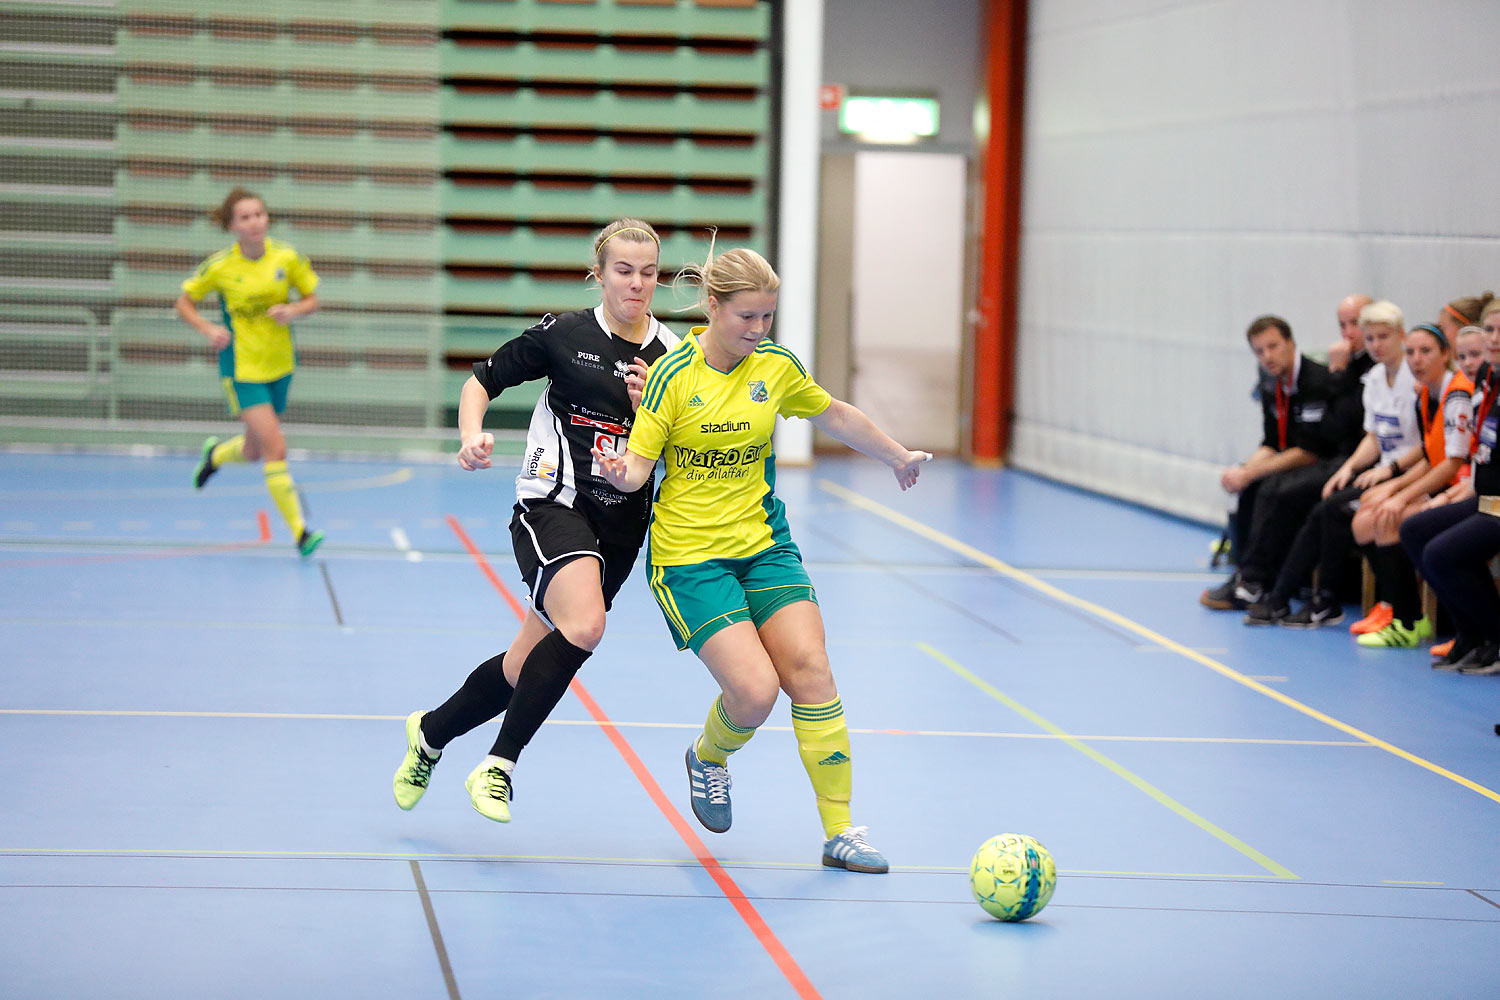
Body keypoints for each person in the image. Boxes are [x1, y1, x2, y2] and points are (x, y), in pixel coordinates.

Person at [593, 243, 931, 874]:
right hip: (690, 559)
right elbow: (639, 467)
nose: (757, 329)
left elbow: (834, 413)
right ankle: (709, 757)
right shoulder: (672, 376)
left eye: (767, 317)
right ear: (713, 307)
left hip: (765, 547)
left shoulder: (774, 368)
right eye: (746, 316)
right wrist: (621, 470)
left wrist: (895, 454)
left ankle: (841, 832)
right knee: (754, 693)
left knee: (812, 672)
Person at [392, 219, 679, 822]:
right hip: (554, 504)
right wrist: (471, 436)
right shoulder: (564, 335)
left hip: (623, 526)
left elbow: (679, 449)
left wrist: (652, 410)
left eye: (648, 273)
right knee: (588, 625)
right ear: (598, 274)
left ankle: (431, 734)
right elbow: (481, 381)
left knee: (527, 663)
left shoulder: (675, 357)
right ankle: (499, 765)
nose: (637, 284)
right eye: (623, 271)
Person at [1244, 301, 1419, 626]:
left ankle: (1314, 598)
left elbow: (1427, 446)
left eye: (1383, 336)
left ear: (1400, 336)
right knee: (1326, 503)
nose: (1376, 345)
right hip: (1380, 470)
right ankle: (1290, 596)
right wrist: (1348, 468)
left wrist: (1390, 473)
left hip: (1406, 473)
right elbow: (1373, 437)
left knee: (1331, 512)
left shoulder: (1415, 379)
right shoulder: (1376, 378)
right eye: (1370, 339)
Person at [176, 187, 324, 556]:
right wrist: (209, 329)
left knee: (254, 450)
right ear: (232, 226)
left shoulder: (286, 258)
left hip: (280, 364)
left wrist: (294, 311)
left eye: (259, 214)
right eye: (245, 217)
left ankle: (215, 456)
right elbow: (184, 302)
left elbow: (312, 298)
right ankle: (301, 532)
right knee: (275, 447)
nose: (254, 222)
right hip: (242, 369)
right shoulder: (220, 267)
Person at [1201, 314, 1351, 610]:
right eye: (1259, 351)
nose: (1267, 356)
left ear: (1291, 344)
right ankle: (1245, 575)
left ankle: (1256, 581)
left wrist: (1252, 472)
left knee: (1273, 489)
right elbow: (1271, 442)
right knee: (1251, 485)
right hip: (1301, 460)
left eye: (1273, 347)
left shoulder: (1315, 381)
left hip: (1329, 461)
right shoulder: (1270, 383)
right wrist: (1243, 471)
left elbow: (1309, 451)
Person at [1349, 322, 1474, 648]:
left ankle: (1409, 620)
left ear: (1446, 355)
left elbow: (1452, 462)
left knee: (1390, 520)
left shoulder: (1455, 393)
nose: (1416, 359)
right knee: (1363, 520)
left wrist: (1400, 494)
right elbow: (1432, 456)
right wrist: (1392, 488)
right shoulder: (1425, 395)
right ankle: (1392, 606)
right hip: (1443, 483)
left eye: (1426, 351)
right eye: (1411, 353)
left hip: (1459, 487)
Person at [1401, 303, 1500, 670]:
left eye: (1499, 332)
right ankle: (1471, 634)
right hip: (1486, 498)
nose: (1493, 339)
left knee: (1442, 552)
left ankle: (1496, 636)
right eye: (1488, 330)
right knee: (1415, 529)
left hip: (1496, 505)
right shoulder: (1488, 377)